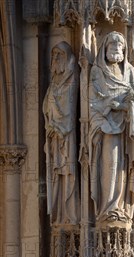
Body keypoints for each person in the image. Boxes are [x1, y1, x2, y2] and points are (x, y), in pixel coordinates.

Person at [89, 31, 134, 224]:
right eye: (112, 44)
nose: (116, 48)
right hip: (106, 127)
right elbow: (92, 100)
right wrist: (109, 106)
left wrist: (126, 106)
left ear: (124, 50)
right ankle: (108, 208)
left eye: (119, 45)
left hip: (126, 127)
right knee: (110, 165)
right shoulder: (97, 71)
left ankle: (121, 207)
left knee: (124, 166)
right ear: (105, 48)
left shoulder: (130, 71)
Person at [43, 41, 79, 225]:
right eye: (54, 55)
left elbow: (71, 111)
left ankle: (69, 214)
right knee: (56, 175)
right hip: (54, 138)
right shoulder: (53, 84)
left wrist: (59, 127)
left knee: (67, 173)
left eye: (60, 55)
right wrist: (50, 124)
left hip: (67, 137)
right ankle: (60, 214)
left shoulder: (72, 79)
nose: (56, 59)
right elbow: (47, 109)